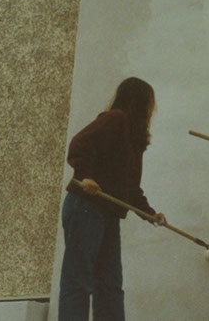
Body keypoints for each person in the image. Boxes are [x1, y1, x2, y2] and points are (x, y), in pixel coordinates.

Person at [58, 77, 166, 321]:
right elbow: (79, 144)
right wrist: (86, 175)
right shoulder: (116, 119)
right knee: (79, 280)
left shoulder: (134, 138)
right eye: (151, 102)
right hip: (86, 207)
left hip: (107, 213)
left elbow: (130, 187)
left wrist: (150, 214)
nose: (153, 108)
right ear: (140, 101)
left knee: (110, 285)